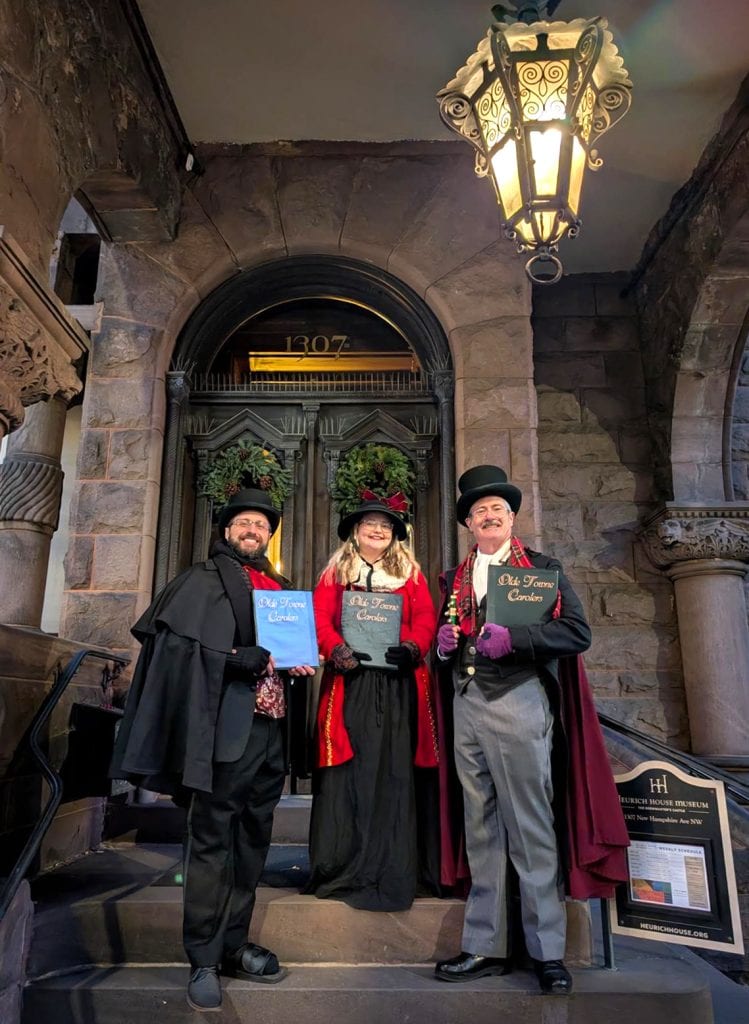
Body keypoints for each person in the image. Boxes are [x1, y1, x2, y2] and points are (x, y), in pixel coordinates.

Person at [110, 488, 316, 1012]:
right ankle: (202, 955)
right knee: (210, 843)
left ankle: (233, 943)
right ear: (226, 530)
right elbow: (175, 650)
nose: (253, 530)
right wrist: (229, 661)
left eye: (262, 525)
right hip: (225, 733)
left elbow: (284, 653)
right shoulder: (197, 583)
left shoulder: (280, 589)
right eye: (244, 523)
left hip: (271, 734)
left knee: (252, 842)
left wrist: (298, 664)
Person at [434, 465, 628, 994]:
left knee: (531, 827)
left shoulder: (541, 568)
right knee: (482, 828)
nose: (489, 516)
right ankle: (483, 944)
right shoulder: (453, 578)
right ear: (469, 524)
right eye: (479, 512)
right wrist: (442, 645)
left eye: (497, 509)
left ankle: (547, 951)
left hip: (518, 702)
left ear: (512, 517)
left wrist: (517, 641)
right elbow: (442, 634)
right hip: (467, 705)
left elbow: (576, 631)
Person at [305, 493, 440, 911]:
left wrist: (414, 647)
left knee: (395, 770)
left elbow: (426, 621)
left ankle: (396, 864)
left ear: (395, 535)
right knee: (353, 770)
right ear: (356, 532)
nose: (378, 530)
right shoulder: (335, 573)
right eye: (370, 524)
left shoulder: (410, 575)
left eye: (385, 525)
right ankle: (342, 863)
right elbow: (319, 618)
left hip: (399, 685)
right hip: (352, 684)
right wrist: (337, 649)